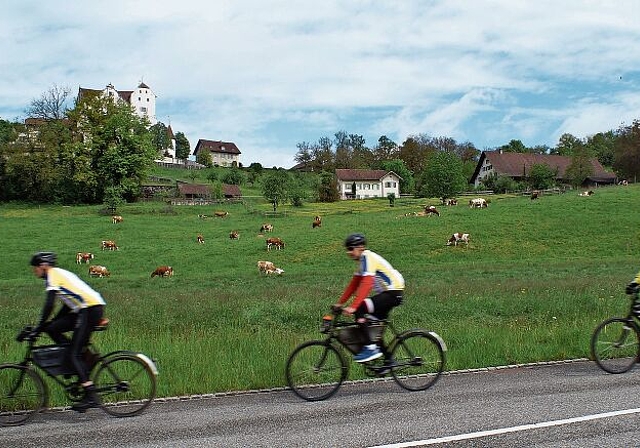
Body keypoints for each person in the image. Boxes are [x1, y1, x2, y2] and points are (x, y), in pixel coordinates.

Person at [29, 251, 107, 412]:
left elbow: (49, 305)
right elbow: (67, 304)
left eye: (35, 267)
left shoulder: (53, 275)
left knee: (74, 353)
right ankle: (79, 358)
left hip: (90, 309)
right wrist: (47, 325)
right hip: (84, 309)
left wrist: (38, 328)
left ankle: (90, 395)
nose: (34, 271)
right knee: (51, 328)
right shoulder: (57, 275)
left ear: (43, 266)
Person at [333, 233, 404, 363]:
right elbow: (353, 285)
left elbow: (366, 284)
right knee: (372, 329)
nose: (348, 252)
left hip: (393, 292)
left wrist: (354, 306)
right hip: (388, 294)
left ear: (360, 247)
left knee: (361, 308)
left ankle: (370, 348)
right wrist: (339, 303)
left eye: (350, 248)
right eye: (347, 249)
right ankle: (389, 361)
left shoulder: (368, 257)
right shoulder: (362, 263)